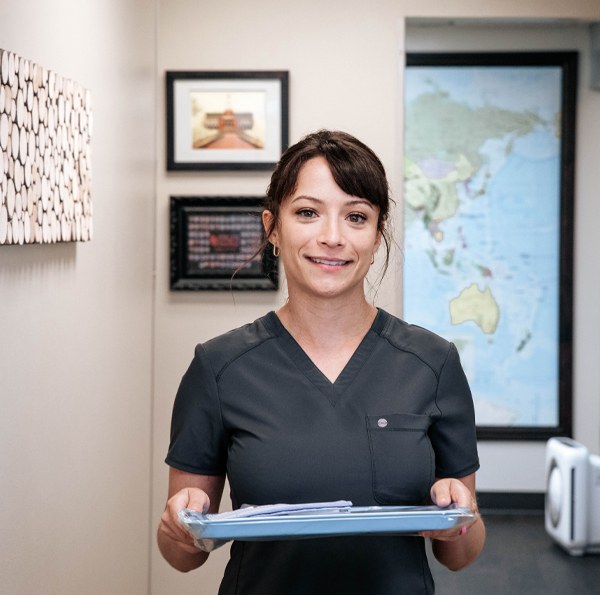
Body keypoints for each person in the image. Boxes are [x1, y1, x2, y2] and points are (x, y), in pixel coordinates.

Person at [157, 130, 486, 593]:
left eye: (356, 216)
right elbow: (180, 556)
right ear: (272, 227)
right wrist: (181, 523)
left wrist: (460, 518)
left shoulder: (432, 363)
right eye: (308, 213)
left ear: (377, 234)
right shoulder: (219, 366)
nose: (332, 237)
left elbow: (461, 555)